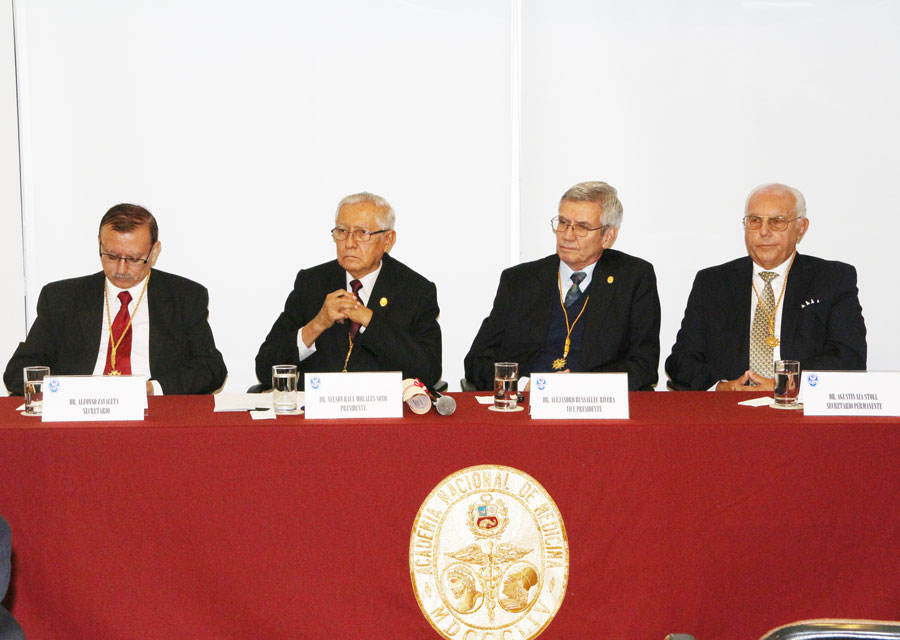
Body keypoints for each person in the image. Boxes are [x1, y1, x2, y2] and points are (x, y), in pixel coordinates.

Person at [3, 204, 227, 395]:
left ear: (154, 252)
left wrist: (152, 389)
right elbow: (18, 372)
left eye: (133, 259)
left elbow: (211, 368)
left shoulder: (184, 297)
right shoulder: (62, 298)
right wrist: (69, 392)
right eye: (111, 256)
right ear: (99, 244)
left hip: (153, 410)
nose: (121, 269)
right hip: (81, 412)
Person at [666, 183, 866, 391]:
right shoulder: (713, 282)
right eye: (755, 221)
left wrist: (784, 385)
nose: (764, 232)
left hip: (797, 404)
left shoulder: (832, 279)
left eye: (777, 221)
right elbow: (681, 360)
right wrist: (721, 388)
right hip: (728, 405)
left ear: (801, 228)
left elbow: (849, 357)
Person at [464, 181, 661, 391]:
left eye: (582, 227)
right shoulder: (520, 281)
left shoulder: (633, 279)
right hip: (526, 401)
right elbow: (478, 360)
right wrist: (523, 385)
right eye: (563, 223)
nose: (567, 236)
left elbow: (644, 365)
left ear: (608, 236)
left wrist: (581, 387)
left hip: (594, 403)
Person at [255, 192, 441, 389]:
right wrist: (317, 324)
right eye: (342, 231)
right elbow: (266, 369)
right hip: (315, 405)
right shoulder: (311, 284)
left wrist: (369, 320)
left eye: (362, 233)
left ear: (388, 240)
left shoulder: (415, 291)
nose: (349, 243)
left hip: (381, 405)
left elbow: (428, 372)